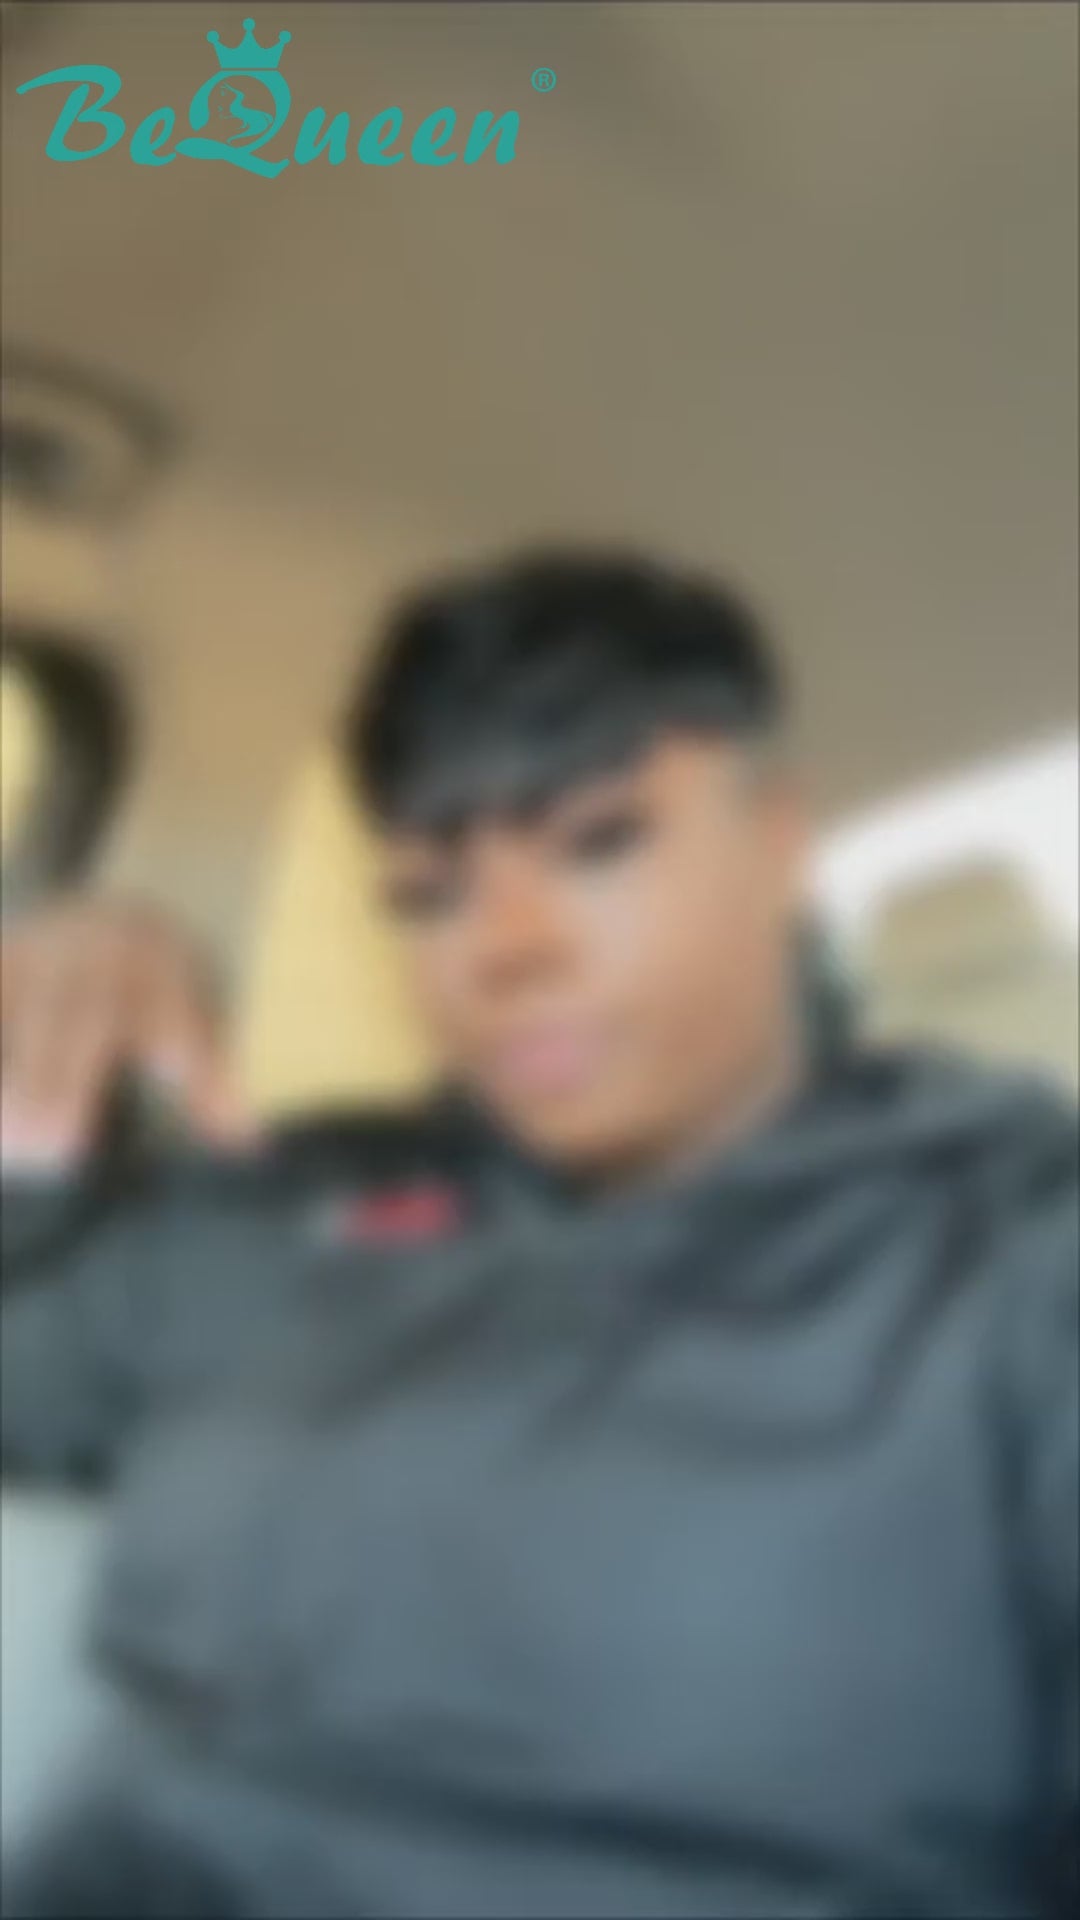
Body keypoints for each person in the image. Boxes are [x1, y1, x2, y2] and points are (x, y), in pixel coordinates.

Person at [1, 551, 1076, 1920]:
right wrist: (52, 1082)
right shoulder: (287, 1207)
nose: (505, 950)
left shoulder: (1013, 1255)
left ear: (780, 842)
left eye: (599, 843)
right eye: (430, 893)